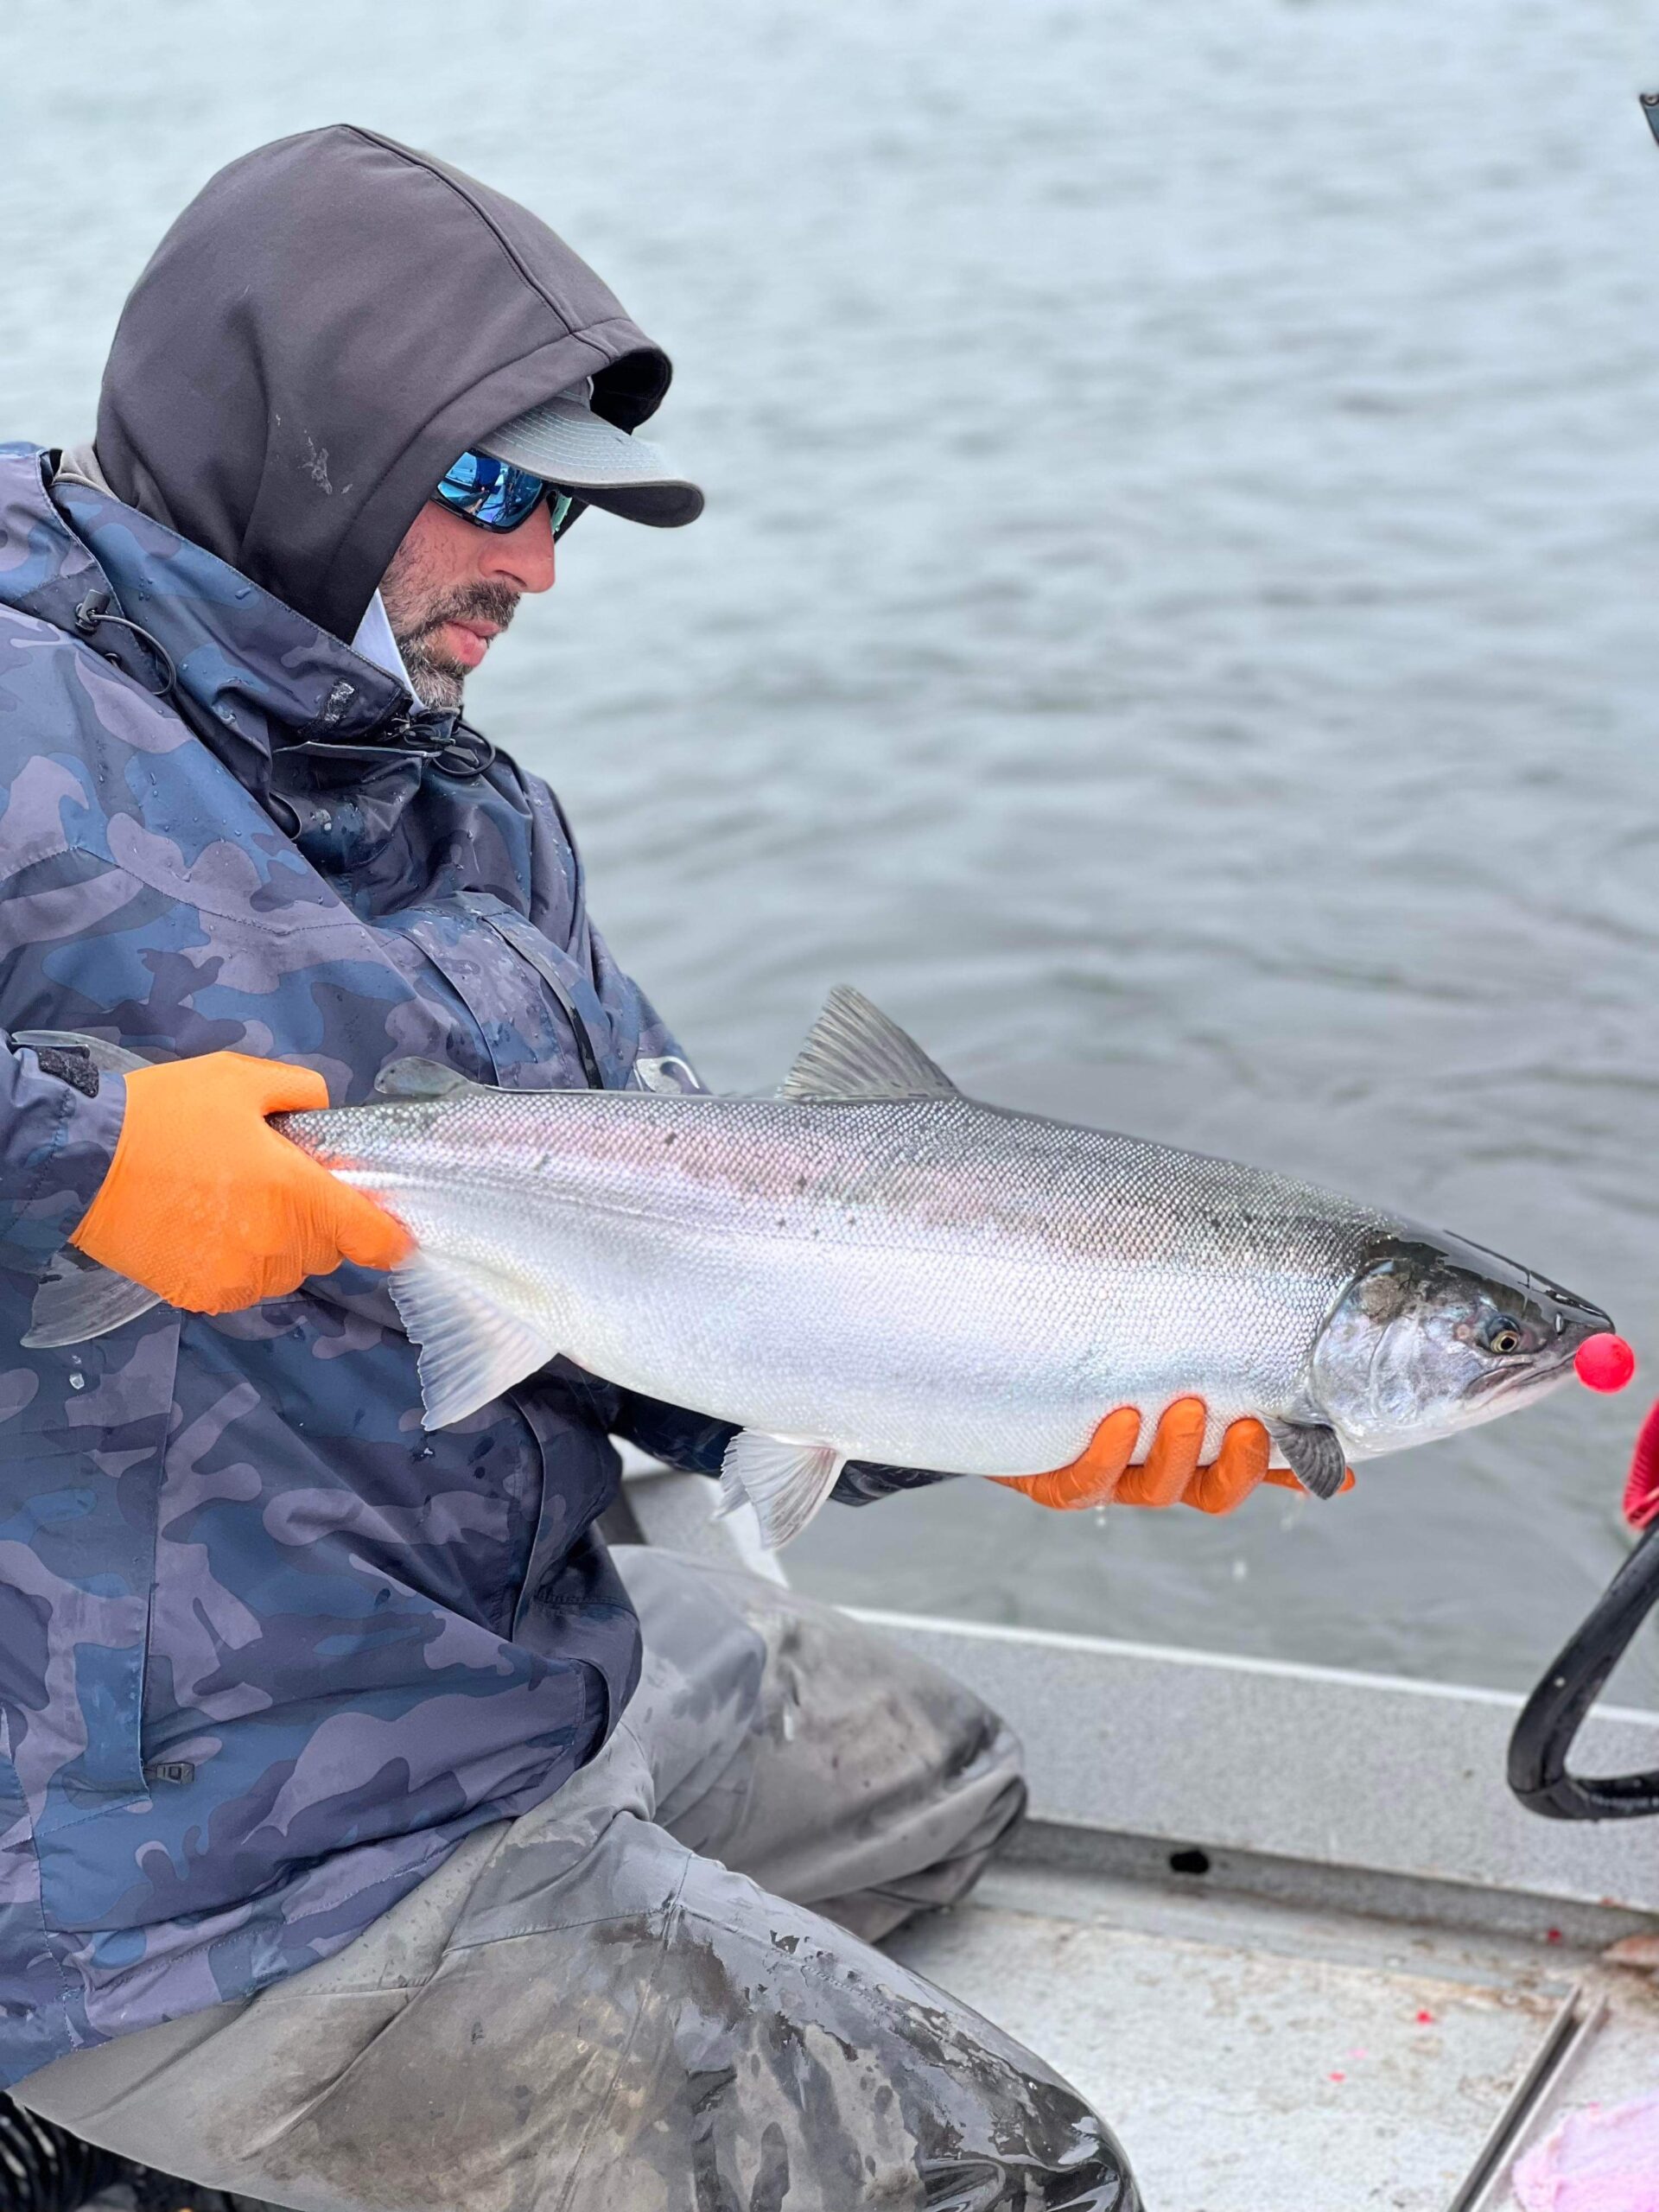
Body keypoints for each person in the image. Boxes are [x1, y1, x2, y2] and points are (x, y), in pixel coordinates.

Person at [0, 126, 1308, 2211]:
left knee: (951, 1775)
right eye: (495, 492)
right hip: (160, 1861)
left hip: (473, 1667)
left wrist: (1020, 1399)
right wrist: (77, 1156)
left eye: (565, 512)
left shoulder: (463, 807)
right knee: (1024, 2182)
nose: (537, 567)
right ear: (305, 441)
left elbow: (673, 1300)